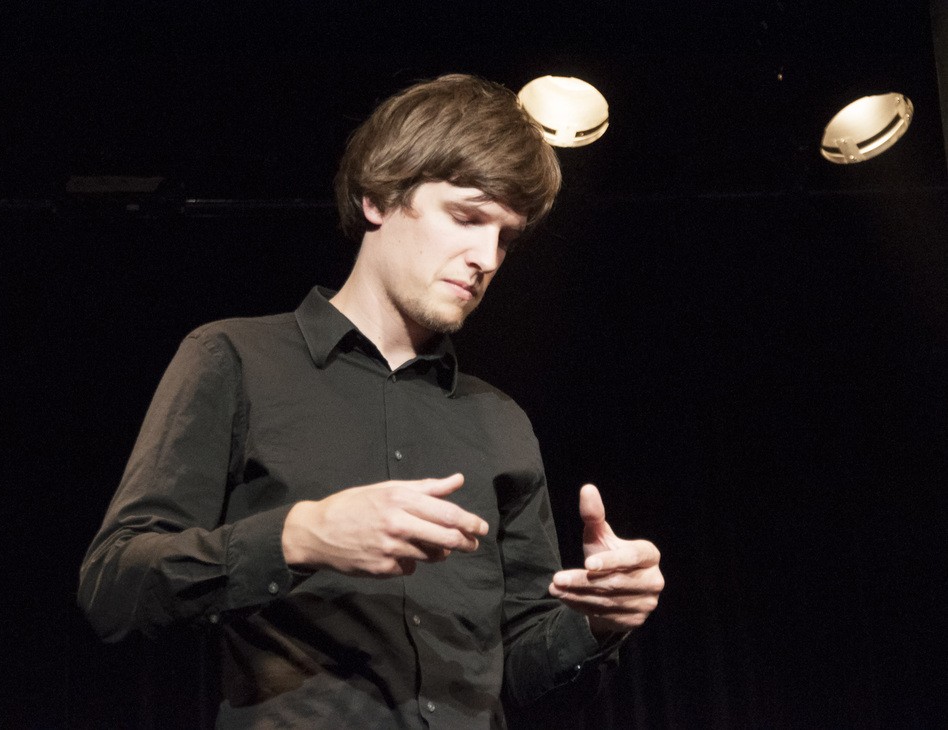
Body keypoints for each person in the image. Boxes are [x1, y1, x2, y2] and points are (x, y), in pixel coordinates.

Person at [78, 73, 663, 728]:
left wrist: (595, 621)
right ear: (379, 199)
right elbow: (114, 588)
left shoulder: (501, 423)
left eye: (506, 236)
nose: (488, 257)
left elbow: (523, 671)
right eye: (467, 217)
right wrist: (300, 535)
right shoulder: (235, 359)